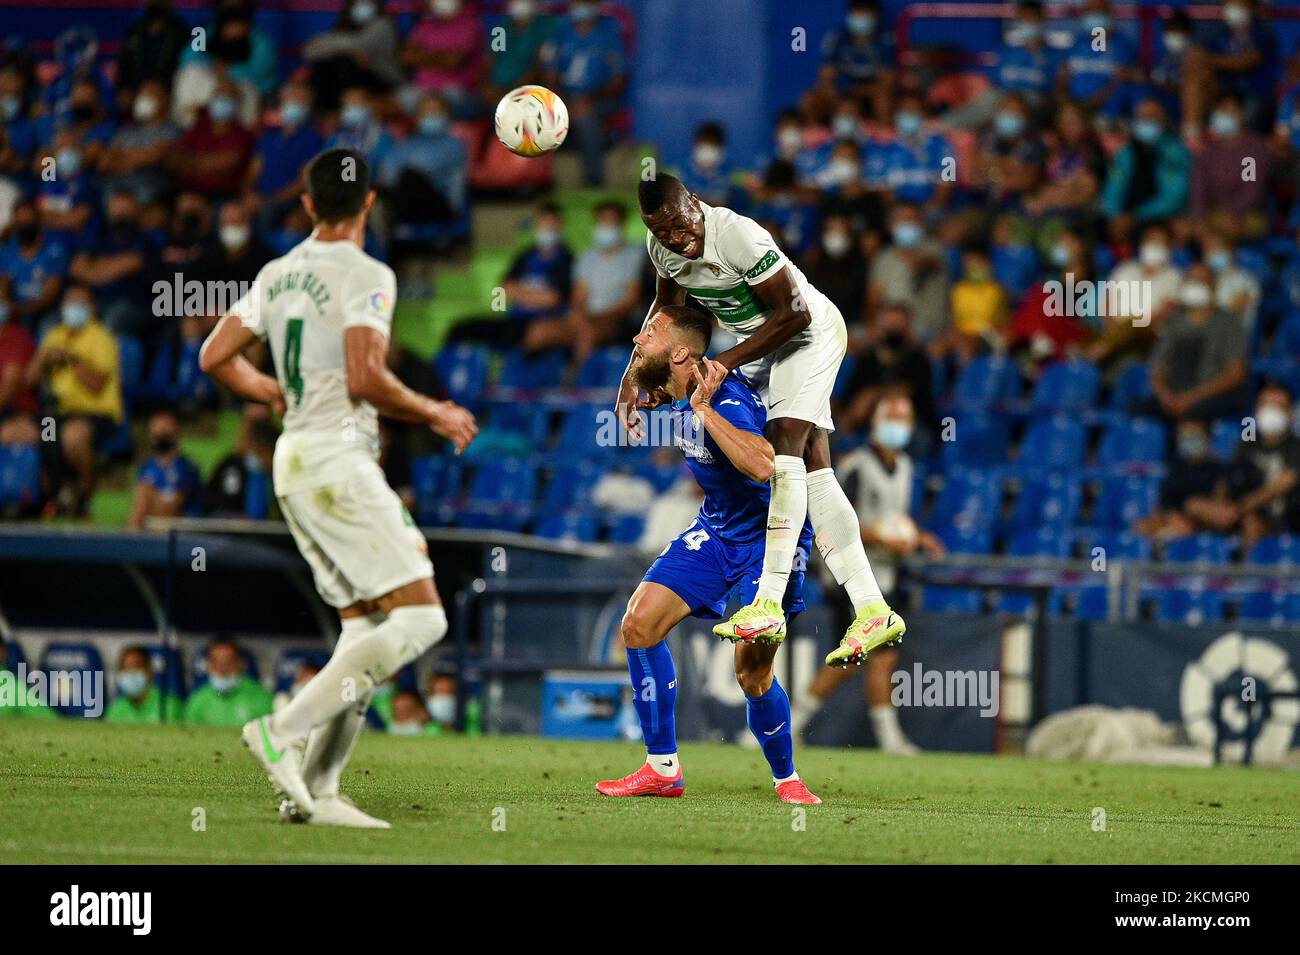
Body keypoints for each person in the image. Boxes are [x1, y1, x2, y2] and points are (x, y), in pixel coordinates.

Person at [199, 147, 477, 828]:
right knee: (423, 617)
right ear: (371, 204)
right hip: (337, 464)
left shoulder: (279, 270)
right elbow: (364, 377)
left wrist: (270, 389)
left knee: (367, 626)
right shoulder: (368, 274)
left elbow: (213, 354)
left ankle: (319, 791)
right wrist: (435, 409)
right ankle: (282, 731)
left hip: (293, 462)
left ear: (307, 204)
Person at [621, 174, 899, 665]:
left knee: (782, 442)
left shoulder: (738, 235)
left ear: (694, 203)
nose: (672, 239)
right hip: (763, 349)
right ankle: (872, 607)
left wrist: (725, 362)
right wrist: (631, 375)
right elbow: (667, 309)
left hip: (807, 333)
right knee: (815, 469)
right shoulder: (663, 246)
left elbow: (795, 315)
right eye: (659, 232)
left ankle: (767, 600)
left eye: (675, 225)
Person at [597, 304, 820, 804]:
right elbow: (645, 370)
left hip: (769, 541)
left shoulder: (723, 396)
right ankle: (662, 769)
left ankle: (786, 778)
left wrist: (703, 411)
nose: (637, 338)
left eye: (648, 332)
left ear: (680, 351)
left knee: (751, 671)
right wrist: (631, 389)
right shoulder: (675, 388)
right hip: (717, 530)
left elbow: (766, 465)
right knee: (638, 624)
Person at [791, 393, 943, 753]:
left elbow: (894, 515)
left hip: (883, 579)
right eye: (893, 415)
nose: (899, 424)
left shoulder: (905, 466)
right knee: (864, 656)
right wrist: (882, 538)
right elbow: (836, 521)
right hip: (849, 577)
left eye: (905, 418)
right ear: (876, 421)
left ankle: (796, 725)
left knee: (869, 658)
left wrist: (920, 537)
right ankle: (790, 725)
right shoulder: (856, 466)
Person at [24, 285, 122, 516]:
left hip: (96, 414)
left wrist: (70, 359)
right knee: (37, 435)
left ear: (92, 308)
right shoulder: (54, 335)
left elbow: (96, 386)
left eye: (79, 304)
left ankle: (84, 494)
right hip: (55, 415)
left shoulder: (102, 338)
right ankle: (48, 497)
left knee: (72, 437)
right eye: (69, 303)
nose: (73, 309)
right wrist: (43, 359)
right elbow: (29, 380)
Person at [1138, 260, 1248, 425]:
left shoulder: (1229, 322)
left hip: (1208, 397)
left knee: (1194, 415)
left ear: (1213, 286)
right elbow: (1157, 366)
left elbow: (1236, 374)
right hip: (1171, 396)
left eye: (1202, 281)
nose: (1196, 285)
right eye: (1191, 280)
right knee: (1136, 410)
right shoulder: (1173, 321)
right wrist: (1164, 396)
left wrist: (1190, 398)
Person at [127, 410, 202, 529]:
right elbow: (139, 511)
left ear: (177, 432)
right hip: (152, 529)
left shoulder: (187, 468)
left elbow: (174, 508)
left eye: (165, 431)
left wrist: (149, 494)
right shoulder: (145, 467)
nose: (159, 434)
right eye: (156, 431)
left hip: (183, 531)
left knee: (144, 491)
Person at [184, 638, 273, 727]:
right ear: (208, 665)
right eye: (217, 662)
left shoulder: (260, 698)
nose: (222, 669)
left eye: (228, 662)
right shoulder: (198, 700)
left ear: (240, 664)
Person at [104, 645, 180, 724]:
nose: (131, 672)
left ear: (149, 671)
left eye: (136, 667)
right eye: (125, 668)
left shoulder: (169, 707)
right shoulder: (114, 711)